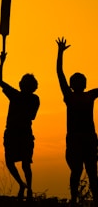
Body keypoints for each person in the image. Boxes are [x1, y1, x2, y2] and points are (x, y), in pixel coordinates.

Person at [56, 37, 98, 207]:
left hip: (86, 138)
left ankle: (91, 200)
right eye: (77, 81)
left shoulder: (88, 95)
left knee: (89, 172)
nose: (80, 83)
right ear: (74, 85)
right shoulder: (71, 96)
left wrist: (60, 53)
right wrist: (60, 53)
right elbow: (60, 74)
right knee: (79, 171)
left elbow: (60, 74)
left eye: (81, 81)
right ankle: (75, 200)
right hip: (77, 139)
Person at [0, 51, 40, 200]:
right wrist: (2, 62)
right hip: (14, 133)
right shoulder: (19, 95)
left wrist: (2, 62)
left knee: (25, 164)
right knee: (13, 162)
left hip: (22, 133)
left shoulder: (28, 98)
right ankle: (24, 185)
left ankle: (28, 188)